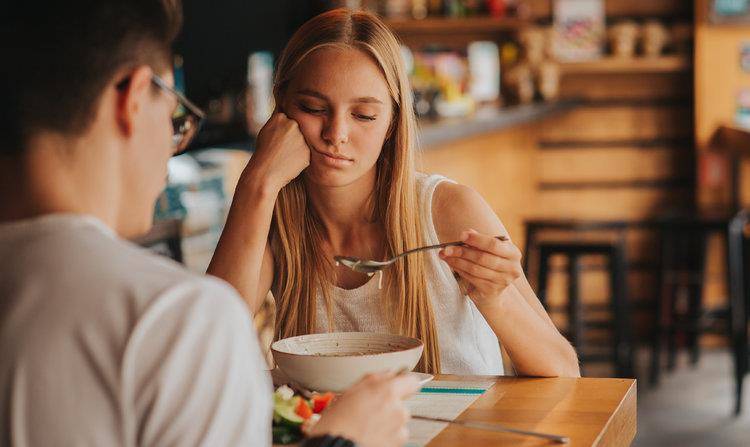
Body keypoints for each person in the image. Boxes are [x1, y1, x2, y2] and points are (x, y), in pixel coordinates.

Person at [0, 1, 418, 446]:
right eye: (175, 111)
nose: (173, 142)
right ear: (134, 98)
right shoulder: (174, 319)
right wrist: (342, 438)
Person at [208, 9, 580, 377]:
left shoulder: (448, 211)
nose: (336, 134)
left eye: (364, 116)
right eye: (314, 108)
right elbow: (206, 346)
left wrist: (496, 297)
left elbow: (564, 372)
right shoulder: (273, 221)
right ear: (281, 109)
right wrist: (257, 181)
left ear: (391, 123)